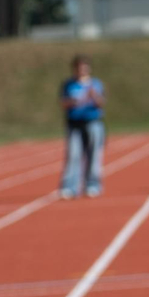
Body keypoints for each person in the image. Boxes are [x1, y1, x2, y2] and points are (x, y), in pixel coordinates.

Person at [58, 54, 104, 200]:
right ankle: (70, 187)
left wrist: (94, 95)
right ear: (75, 69)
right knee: (73, 155)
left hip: (93, 122)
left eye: (84, 67)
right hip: (74, 123)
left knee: (93, 155)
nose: (82, 70)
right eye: (79, 68)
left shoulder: (95, 84)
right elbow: (63, 103)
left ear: (88, 68)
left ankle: (92, 185)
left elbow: (101, 103)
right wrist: (72, 101)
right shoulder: (68, 84)